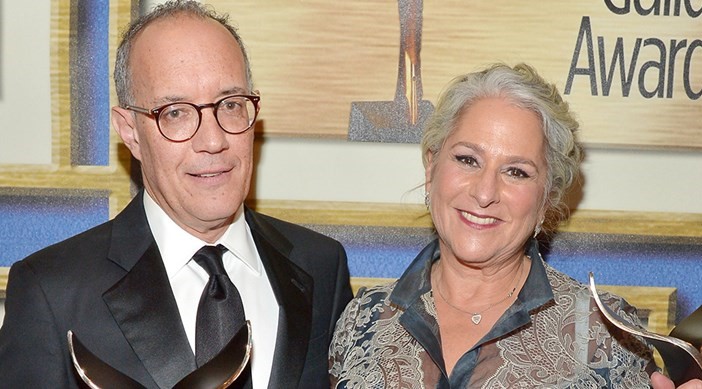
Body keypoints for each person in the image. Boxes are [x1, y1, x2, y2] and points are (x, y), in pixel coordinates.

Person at [0, 1, 352, 388]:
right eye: (175, 113)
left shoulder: (321, 266)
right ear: (130, 131)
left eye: (231, 105)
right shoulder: (52, 292)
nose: (214, 140)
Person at [329, 63, 660, 387]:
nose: (485, 193)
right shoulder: (364, 318)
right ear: (431, 169)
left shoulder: (604, 331)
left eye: (516, 172)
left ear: (547, 198)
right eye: (467, 159)